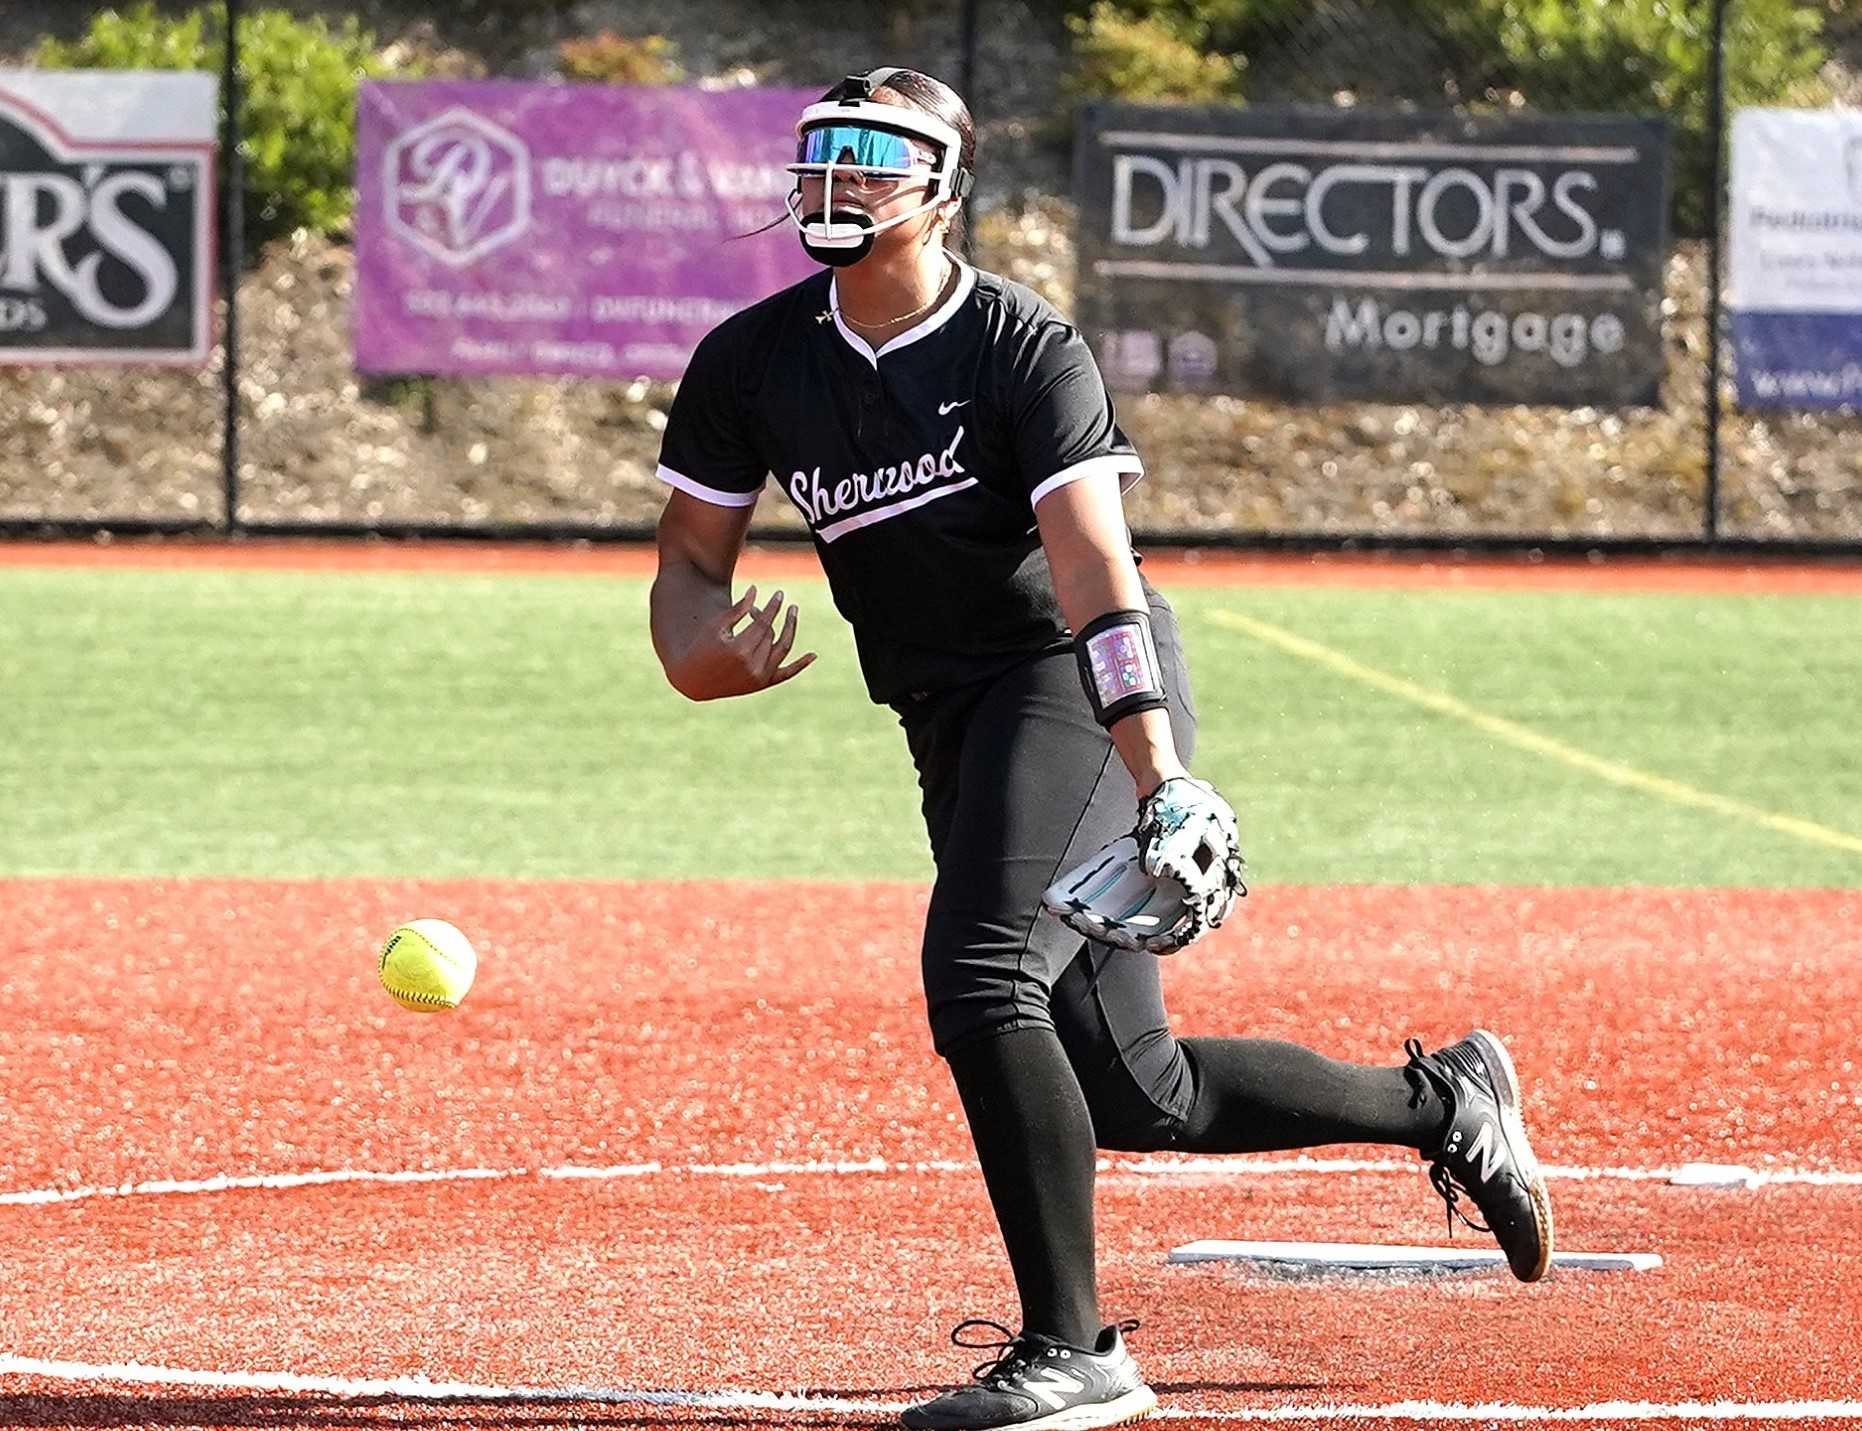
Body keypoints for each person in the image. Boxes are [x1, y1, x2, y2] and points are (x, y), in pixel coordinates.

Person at [648, 66, 1554, 1431]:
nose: (836, 181)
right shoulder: (752, 361)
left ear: (944, 189)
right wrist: (692, 652)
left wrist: (1158, 775)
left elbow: (1093, 576)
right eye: (820, 156)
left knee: (980, 975)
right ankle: (1446, 1104)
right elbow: (684, 575)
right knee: (1138, 1089)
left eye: (872, 157)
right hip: (944, 717)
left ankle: (1073, 1350)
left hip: (1068, 689)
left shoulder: (1021, 349)